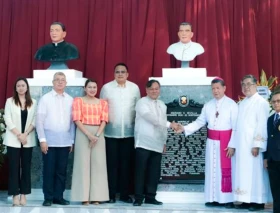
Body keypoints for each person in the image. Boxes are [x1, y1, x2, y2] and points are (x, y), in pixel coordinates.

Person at [175, 77, 238, 208]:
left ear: (224, 88)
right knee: (211, 170)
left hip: (226, 143)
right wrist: (184, 128)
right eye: (213, 88)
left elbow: (236, 127)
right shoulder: (208, 105)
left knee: (225, 170)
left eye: (218, 88)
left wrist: (232, 145)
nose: (215, 91)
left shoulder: (232, 104)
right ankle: (213, 198)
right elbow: (200, 122)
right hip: (212, 143)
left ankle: (227, 199)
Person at [100, 62, 141, 203]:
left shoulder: (134, 88)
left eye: (123, 72)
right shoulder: (106, 88)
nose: (120, 74)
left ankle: (124, 194)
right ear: (114, 74)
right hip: (110, 133)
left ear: (127, 74)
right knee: (111, 165)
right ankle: (110, 195)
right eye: (117, 72)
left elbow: (139, 110)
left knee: (126, 166)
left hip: (129, 133)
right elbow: (101, 109)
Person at [133, 79, 178, 206]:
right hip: (144, 142)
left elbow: (162, 123)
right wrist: (171, 125)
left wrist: (164, 141)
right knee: (140, 171)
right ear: (146, 90)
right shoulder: (141, 103)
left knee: (154, 172)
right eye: (151, 89)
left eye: (156, 88)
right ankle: (138, 198)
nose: (154, 91)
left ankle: (150, 197)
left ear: (159, 90)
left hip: (157, 143)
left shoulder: (162, 105)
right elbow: (151, 118)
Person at [36, 72, 75, 206]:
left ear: (66, 83)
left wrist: (72, 141)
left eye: (62, 80)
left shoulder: (70, 99)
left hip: (65, 141)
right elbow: (39, 121)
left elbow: (72, 123)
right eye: (57, 80)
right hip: (49, 141)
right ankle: (48, 197)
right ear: (52, 82)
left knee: (61, 171)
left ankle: (59, 196)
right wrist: (42, 140)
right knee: (49, 170)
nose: (60, 82)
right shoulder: (45, 99)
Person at [232, 75, 270, 211]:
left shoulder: (261, 102)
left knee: (256, 173)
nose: (246, 87)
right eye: (243, 84)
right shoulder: (242, 103)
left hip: (253, 146)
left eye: (249, 84)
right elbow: (236, 126)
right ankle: (246, 200)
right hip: (242, 145)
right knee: (244, 173)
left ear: (255, 85)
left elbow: (262, 125)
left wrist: (257, 145)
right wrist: (233, 144)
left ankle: (258, 202)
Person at [71, 79, 109, 205]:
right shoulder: (78, 101)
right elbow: (76, 119)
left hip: (98, 132)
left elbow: (104, 119)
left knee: (99, 165)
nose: (92, 89)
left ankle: (96, 196)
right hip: (83, 132)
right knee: (82, 164)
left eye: (94, 87)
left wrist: (96, 135)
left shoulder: (102, 103)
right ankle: (83, 196)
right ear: (85, 88)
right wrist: (88, 135)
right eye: (90, 87)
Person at [4, 78, 37, 206]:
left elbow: (35, 119)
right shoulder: (10, 101)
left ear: (27, 87)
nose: (21, 88)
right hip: (13, 139)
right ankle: (15, 195)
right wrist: (19, 134)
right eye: (18, 86)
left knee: (26, 167)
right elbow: (7, 119)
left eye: (23, 85)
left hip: (28, 139)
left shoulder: (33, 102)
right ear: (16, 88)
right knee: (14, 168)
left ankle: (24, 194)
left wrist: (26, 134)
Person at [264, 91, 280, 213]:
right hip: (273, 160)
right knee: (275, 190)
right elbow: (268, 139)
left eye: (278, 101)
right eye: (273, 101)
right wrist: (265, 158)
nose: (276, 104)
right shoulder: (270, 119)